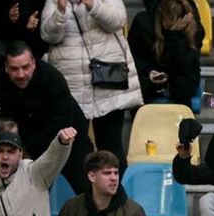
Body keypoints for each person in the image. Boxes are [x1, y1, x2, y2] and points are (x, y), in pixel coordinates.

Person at [0, 41, 93, 194]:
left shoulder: (53, 79)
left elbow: (61, 123)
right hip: (23, 143)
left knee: (87, 189)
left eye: (25, 67)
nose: (20, 74)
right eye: (14, 69)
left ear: (33, 63)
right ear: (6, 67)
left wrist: (25, 149)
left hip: (67, 141)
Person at [41, 0, 143, 171]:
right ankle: (86, 195)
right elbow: (49, 36)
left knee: (111, 145)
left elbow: (118, 21)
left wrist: (92, 4)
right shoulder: (55, 1)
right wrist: (60, 10)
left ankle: (117, 194)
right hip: (73, 84)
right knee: (76, 147)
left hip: (108, 81)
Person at [128, 0, 204, 105]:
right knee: (139, 85)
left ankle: (183, 119)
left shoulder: (193, 27)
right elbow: (132, 58)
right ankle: (141, 120)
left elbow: (188, 67)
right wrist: (148, 71)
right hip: (151, 74)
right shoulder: (143, 22)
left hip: (180, 76)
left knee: (181, 84)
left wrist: (175, 36)